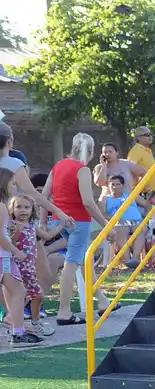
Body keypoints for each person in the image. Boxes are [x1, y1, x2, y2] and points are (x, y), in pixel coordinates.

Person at [42, 132, 109, 326]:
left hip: (58, 220)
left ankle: (103, 301)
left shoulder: (58, 166)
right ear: (91, 150)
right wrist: (106, 224)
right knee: (71, 265)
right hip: (78, 222)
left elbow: (45, 195)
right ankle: (64, 311)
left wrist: (42, 222)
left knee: (82, 260)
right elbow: (88, 202)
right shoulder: (83, 170)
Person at [0, 169, 38, 347]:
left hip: (5, 256)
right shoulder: (1, 206)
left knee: (16, 291)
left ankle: (18, 331)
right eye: (12, 183)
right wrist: (16, 251)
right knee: (18, 291)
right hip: (3, 256)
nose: (15, 186)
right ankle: (18, 332)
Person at [8, 192, 47, 338]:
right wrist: (17, 231)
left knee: (28, 296)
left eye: (26, 207)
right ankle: (34, 323)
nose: (23, 210)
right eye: (19, 207)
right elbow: (10, 243)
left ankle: (21, 323)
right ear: (12, 210)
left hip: (29, 267)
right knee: (37, 294)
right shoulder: (12, 225)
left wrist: (63, 224)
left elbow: (46, 236)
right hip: (19, 267)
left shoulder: (32, 225)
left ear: (32, 210)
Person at [128, 126, 155, 192]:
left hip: (151, 192)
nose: (150, 137)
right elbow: (130, 168)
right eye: (147, 135)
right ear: (138, 138)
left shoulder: (147, 150)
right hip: (143, 191)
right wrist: (137, 186)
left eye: (151, 135)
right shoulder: (137, 149)